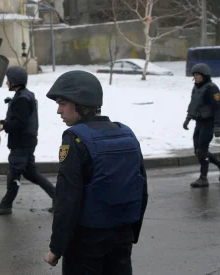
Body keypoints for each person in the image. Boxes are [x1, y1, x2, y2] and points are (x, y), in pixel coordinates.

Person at [43, 70, 148, 274]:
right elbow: (141, 187)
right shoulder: (126, 134)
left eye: (63, 104)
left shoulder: (76, 138)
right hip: (122, 235)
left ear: (80, 104)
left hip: (86, 240)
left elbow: (67, 199)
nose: (58, 111)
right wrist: (132, 232)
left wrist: (56, 248)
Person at [0, 66, 56, 215]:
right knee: (31, 173)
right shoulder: (23, 96)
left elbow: (19, 123)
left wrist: (2, 127)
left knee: (14, 173)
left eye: (8, 80)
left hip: (22, 142)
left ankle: (6, 205)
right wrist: (2, 123)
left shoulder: (23, 99)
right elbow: (17, 118)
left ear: (14, 82)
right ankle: (58, 199)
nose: (6, 83)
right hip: (26, 141)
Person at [183, 63, 220, 188]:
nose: (196, 77)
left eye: (198, 75)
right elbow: (193, 104)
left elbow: (218, 109)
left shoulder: (212, 89)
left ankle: (203, 178)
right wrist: (188, 119)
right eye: (194, 75)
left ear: (205, 75)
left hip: (209, 123)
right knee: (198, 150)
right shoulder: (196, 88)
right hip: (199, 122)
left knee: (201, 150)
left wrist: (217, 126)